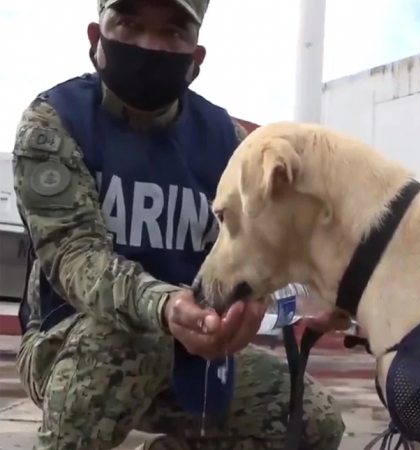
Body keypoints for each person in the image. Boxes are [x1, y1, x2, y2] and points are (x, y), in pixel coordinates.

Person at [12, 0, 345, 449]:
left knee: (312, 421)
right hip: (71, 342)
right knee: (135, 337)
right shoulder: (56, 122)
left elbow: (266, 244)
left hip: (193, 352)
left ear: (196, 59)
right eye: (128, 24)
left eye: (172, 32)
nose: (149, 45)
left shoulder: (228, 143)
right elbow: (76, 257)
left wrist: (259, 298)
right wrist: (166, 308)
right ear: (96, 39)